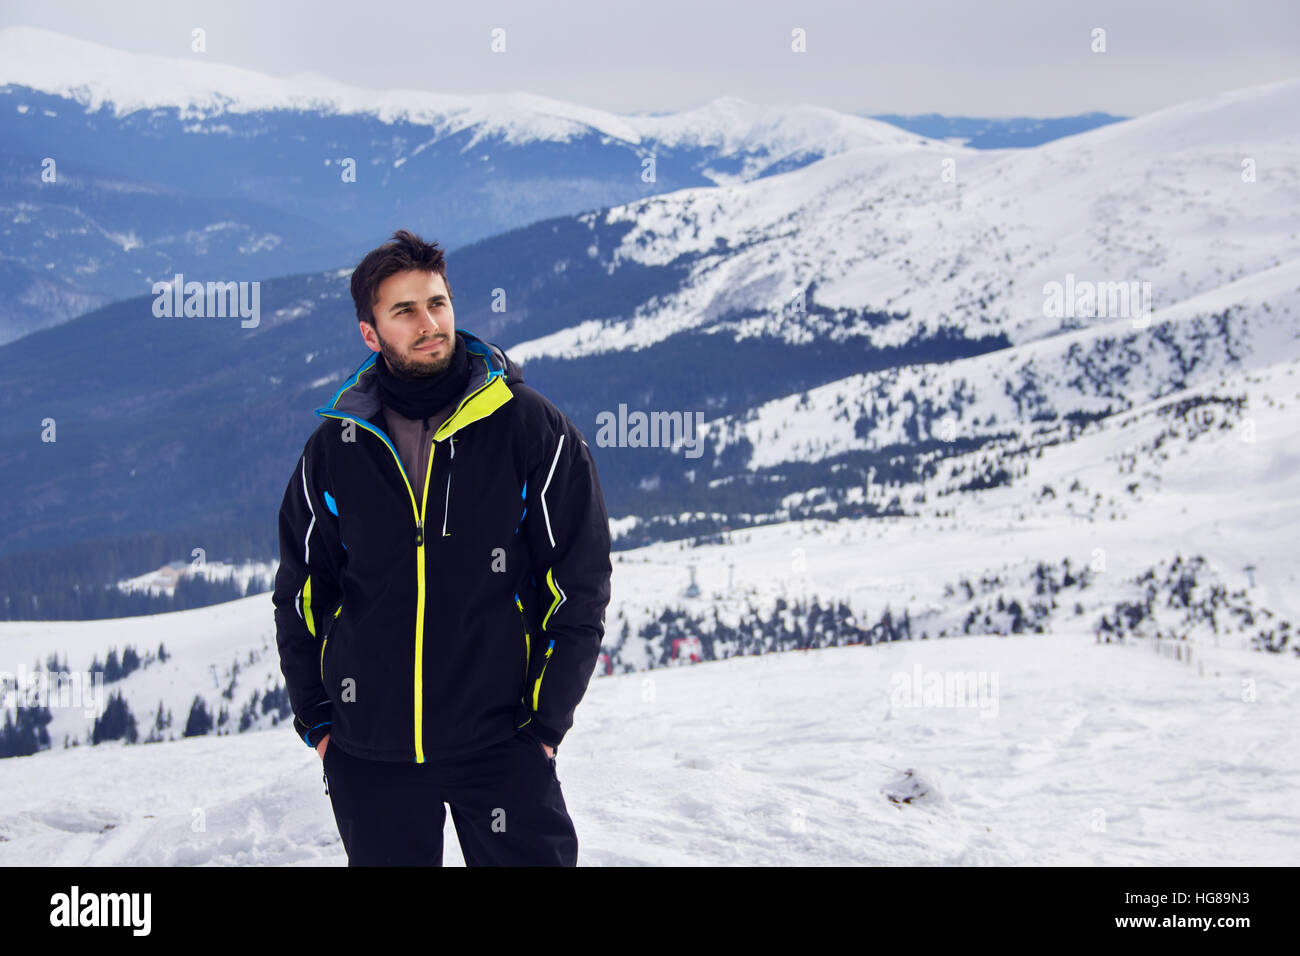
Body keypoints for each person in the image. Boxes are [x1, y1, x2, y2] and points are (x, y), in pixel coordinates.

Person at [272, 229, 613, 865]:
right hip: (370, 753)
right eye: (404, 310)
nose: (429, 324)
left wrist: (543, 726)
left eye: (438, 303)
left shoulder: (530, 427)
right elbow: (301, 593)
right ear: (371, 334)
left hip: (501, 742)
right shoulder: (336, 448)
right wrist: (320, 722)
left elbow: (580, 583)